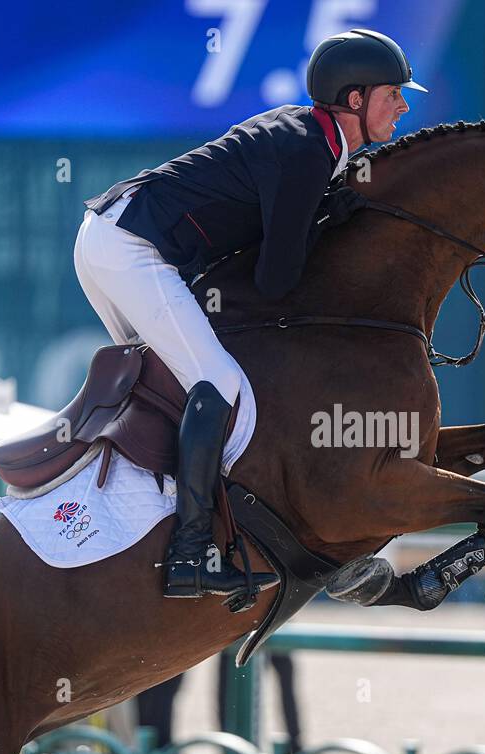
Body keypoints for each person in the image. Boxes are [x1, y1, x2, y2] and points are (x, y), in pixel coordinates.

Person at [75, 28, 425, 599]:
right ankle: (191, 553)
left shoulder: (313, 139)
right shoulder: (309, 150)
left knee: (178, 388)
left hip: (112, 238)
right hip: (130, 247)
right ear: (355, 99)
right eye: (395, 94)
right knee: (220, 385)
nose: (404, 107)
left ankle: (155, 526)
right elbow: (276, 279)